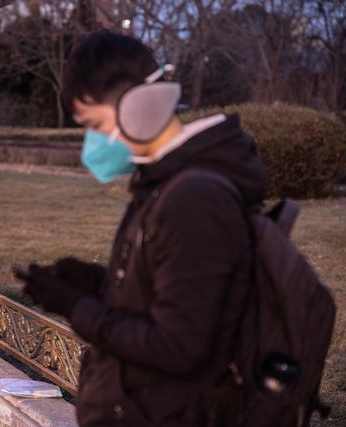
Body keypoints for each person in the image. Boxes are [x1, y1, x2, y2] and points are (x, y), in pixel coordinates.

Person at [15, 30, 269, 426]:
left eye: (94, 123)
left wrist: (78, 308)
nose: (92, 143)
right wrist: (96, 283)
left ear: (141, 105)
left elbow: (179, 345)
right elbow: (168, 291)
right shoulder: (165, 184)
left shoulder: (194, 198)